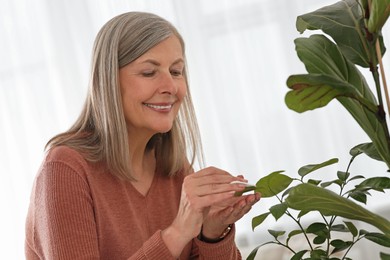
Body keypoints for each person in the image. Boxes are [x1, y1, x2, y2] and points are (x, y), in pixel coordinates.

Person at [25, 11, 261, 259]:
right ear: (109, 82)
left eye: (176, 71)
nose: (170, 87)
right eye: (149, 73)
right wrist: (177, 233)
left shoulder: (176, 172)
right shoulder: (65, 170)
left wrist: (212, 233)